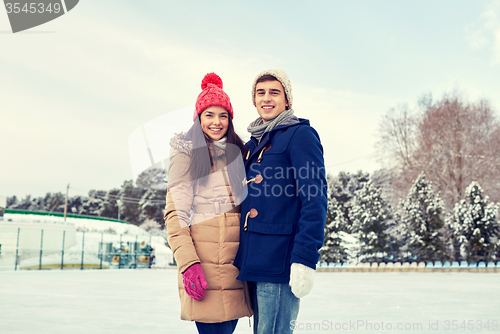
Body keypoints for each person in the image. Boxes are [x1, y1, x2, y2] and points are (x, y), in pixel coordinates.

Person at [233, 69, 327, 334]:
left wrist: (305, 257)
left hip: (280, 259)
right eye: (260, 93)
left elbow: (315, 198)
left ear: (287, 100)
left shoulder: (300, 135)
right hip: (254, 258)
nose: (267, 98)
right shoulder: (255, 143)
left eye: (275, 92)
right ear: (254, 100)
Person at [164, 72, 252, 334]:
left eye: (223, 115)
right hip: (204, 268)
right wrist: (189, 264)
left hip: (236, 267)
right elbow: (175, 215)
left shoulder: (240, 154)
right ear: (198, 118)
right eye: (209, 115)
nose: (217, 122)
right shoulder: (187, 154)